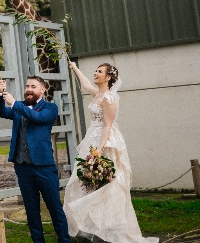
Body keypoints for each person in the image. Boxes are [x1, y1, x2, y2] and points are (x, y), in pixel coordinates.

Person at [65, 62, 158, 242]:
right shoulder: (98, 95)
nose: (95, 73)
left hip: (105, 141)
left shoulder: (108, 98)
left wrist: (99, 150)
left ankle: (112, 229)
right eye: (95, 70)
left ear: (108, 77)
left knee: (108, 184)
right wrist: (75, 68)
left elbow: (108, 124)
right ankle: (97, 227)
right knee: (88, 182)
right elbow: (85, 85)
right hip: (92, 138)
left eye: (99, 72)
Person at [0, 76, 71, 243]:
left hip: (44, 167)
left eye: (33, 86)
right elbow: (0, 112)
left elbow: (37, 118)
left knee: (54, 207)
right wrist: (1, 95)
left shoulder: (50, 108)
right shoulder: (19, 107)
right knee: (31, 210)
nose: (29, 89)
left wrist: (14, 103)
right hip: (23, 167)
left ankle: (64, 240)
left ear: (42, 90)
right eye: (27, 86)